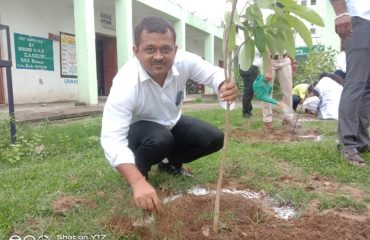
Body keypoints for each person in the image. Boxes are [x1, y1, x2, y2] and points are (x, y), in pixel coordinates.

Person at [100, 16, 238, 212]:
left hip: (170, 124)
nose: (159, 56)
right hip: (138, 133)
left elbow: (215, 73)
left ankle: (168, 163)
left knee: (214, 138)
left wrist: (225, 84)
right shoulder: (126, 83)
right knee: (160, 139)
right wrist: (137, 182)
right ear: (136, 51)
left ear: (175, 49)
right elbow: (112, 139)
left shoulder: (184, 61)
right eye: (150, 49)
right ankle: (140, 173)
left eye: (165, 49)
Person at [330, 0, 370, 167]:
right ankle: (347, 145)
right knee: (356, 82)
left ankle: (361, 141)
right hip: (358, 19)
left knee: (367, 86)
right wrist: (341, 12)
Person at [262, 52, 296, 130]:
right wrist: (268, 69)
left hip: (284, 60)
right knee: (266, 92)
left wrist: (293, 61)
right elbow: (265, 47)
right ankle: (267, 120)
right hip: (269, 60)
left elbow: (288, 43)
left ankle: (288, 118)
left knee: (288, 91)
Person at [239, 50, 262, 118]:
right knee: (249, 91)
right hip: (249, 67)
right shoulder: (251, 43)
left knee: (249, 90)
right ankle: (246, 113)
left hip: (248, 67)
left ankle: (248, 110)